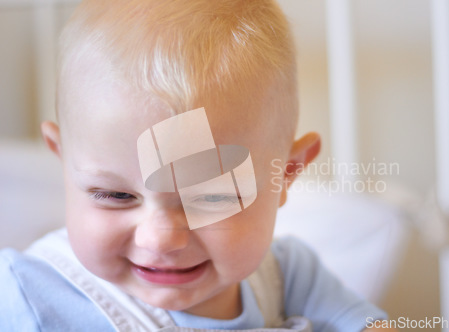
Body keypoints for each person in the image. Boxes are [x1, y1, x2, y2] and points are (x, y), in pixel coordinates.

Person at [0, 0, 397, 331]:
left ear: (285, 175)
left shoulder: (290, 277)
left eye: (211, 196)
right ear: (63, 158)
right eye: (116, 195)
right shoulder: (26, 295)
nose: (159, 239)